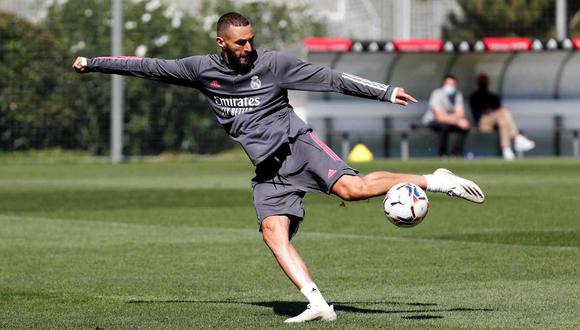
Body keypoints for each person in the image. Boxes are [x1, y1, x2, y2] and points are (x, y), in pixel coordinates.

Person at [72, 12, 485, 323]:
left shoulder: (273, 65)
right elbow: (148, 68)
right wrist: (93, 62)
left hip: (297, 147)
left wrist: (386, 91)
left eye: (251, 40)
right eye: (239, 43)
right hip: (268, 171)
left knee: (351, 191)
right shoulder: (200, 70)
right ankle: (318, 304)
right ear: (221, 42)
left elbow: (332, 78)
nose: (248, 48)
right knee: (273, 233)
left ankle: (435, 180)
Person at [470, 73, 535, 160]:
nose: (484, 82)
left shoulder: (493, 97)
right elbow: (478, 113)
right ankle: (517, 138)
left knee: (503, 121)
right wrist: (490, 112)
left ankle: (506, 150)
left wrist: (493, 112)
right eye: (482, 80)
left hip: (497, 122)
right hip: (483, 123)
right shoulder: (474, 97)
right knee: (505, 111)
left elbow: (498, 109)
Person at [422, 74, 470, 157]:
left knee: (465, 126)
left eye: (453, 84)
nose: (451, 86)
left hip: (450, 122)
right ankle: (442, 154)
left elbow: (461, 113)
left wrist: (456, 120)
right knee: (444, 126)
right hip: (432, 121)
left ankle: (457, 154)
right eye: (449, 84)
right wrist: (457, 121)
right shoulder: (437, 94)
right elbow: (439, 117)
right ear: (444, 84)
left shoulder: (457, 94)